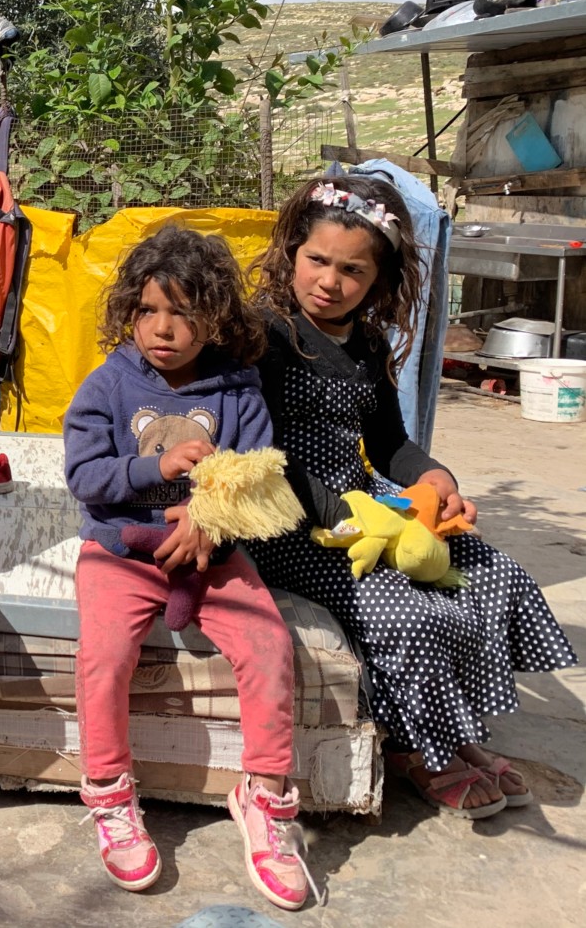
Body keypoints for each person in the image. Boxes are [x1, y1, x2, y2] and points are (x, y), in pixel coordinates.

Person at [247, 175, 577, 819]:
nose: (329, 281)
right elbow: (264, 456)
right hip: (292, 528)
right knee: (411, 612)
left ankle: (453, 728)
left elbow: (391, 443)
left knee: (490, 573)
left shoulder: (367, 343)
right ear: (291, 252)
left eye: (352, 270)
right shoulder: (264, 339)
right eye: (317, 260)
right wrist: (352, 518)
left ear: (379, 280)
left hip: (369, 507)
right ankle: (411, 745)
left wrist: (434, 481)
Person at [65, 225, 310, 911]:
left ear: (218, 319)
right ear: (129, 312)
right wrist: (154, 465)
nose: (164, 328)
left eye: (185, 313)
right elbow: (84, 476)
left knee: (267, 644)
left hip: (216, 554)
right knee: (105, 653)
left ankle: (265, 796)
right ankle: (111, 793)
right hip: (122, 550)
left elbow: (263, 479)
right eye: (148, 311)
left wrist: (210, 520)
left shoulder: (238, 389)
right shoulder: (107, 386)